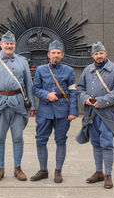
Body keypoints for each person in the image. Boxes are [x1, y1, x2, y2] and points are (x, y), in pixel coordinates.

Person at [0, 31, 36, 182]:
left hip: (18, 104)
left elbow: (29, 85)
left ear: (14, 45)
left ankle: (18, 168)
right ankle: (0, 168)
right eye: (6, 43)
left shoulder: (22, 62)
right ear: (1, 44)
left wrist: (32, 106)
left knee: (18, 137)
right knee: (0, 137)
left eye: (11, 44)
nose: (9, 46)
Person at [76, 42, 114, 189]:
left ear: (106, 53)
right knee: (95, 142)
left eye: (101, 53)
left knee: (107, 142)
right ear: (92, 56)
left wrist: (102, 101)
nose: (99, 56)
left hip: (107, 113)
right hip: (91, 113)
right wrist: (85, 98)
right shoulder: (87, 70)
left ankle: (108, 175)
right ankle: (98, 172)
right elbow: (80, 88)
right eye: (96, 54)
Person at [30, 40, 78, 183]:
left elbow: (73, 92)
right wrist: (46, 95)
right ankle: (43, 170)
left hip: (63, 110)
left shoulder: (69, 71)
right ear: (48, 54)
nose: (55, 55)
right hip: (45, 110)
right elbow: (35, 88)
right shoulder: (41, 70)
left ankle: (58, 171)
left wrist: (73, 111)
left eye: (58, 53)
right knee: (40, 140)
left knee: (61, 141)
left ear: (62, 55)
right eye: (53, 53)